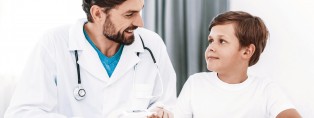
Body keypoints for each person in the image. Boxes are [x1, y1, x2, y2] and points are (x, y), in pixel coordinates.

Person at [4, 0, 176, 117]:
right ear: (98, 14)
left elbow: (167, 104)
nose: (140, 23)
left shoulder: (152, 45)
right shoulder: (54, 43)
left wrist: (160, 112)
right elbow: (22, 113)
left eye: (140, 11)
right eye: (129, 14)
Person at [174, 11, 301, 118]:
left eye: (222, 41)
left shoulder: (265, 89)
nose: (211, 47)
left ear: (247, 51)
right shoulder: (195, 83)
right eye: (211, 40)